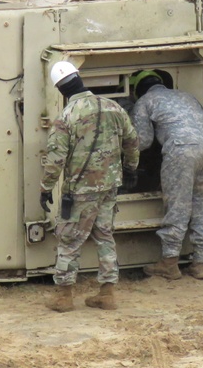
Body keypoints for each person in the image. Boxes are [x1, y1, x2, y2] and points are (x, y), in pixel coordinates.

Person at [40, 61, 140, 312]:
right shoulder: (113, 107)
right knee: (105, 236)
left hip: (80, 190)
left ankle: (64, 296)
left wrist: (45, 188)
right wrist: (130, 168)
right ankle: (107, 293)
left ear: (60, 90)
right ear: (79, 78)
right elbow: (132, 141)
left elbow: (56, 159)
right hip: (109, 186)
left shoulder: (66, 116)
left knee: (69, 239)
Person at [129, 70, 203, 281]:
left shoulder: (145, 101)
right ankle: (201, 263)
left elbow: (142, 142)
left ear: (137, 89)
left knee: (178, 204)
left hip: (181, 150)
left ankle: (169, 262)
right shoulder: (187, 96)